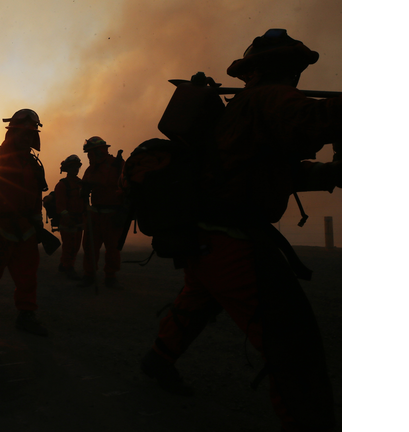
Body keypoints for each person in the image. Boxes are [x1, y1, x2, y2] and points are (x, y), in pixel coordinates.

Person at [140, 29, 341, 431]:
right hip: (232, 243)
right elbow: (315, 123)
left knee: (197, 302)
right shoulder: (271, 97)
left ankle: (158, 361)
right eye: (294, 65)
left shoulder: (242, 107)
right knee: (290, 343)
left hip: (206, 239)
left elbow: (263, 171)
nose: (297, 74)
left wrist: (326, 174)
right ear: (285, 67)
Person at [0, 108, 49, 336]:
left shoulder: (33, 163)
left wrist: (37, 223)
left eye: (31, 132)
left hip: (25, 227)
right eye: (23, 131)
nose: (27, 136)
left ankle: (26, 314)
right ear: (12, 132)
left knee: (27, 272)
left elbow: (36, 195)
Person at [78, 136, 126, 289]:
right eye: (88, 153)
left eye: (92, 152)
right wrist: (83, 191)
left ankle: (110, 276)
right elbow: (84, 188)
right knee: (90, 247)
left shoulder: (118, 165)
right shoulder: (91, 169)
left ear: (101, 150)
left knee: (112, 248)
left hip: (113, 214)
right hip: (95, 213)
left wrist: (124, 211)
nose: (89, 156)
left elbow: (127, 188)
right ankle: (89, 275)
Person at [54, 155, 84, 280]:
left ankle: (63, 264)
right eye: (73, 167)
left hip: (79, 220)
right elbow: (60, 206)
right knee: (69, 246)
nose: (76, 169)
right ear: (67, 169)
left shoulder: (80, 183)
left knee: (76, 246)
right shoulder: (62, 185)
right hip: (68, 222)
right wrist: (68, 219)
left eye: (77, 167)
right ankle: (68, 267)